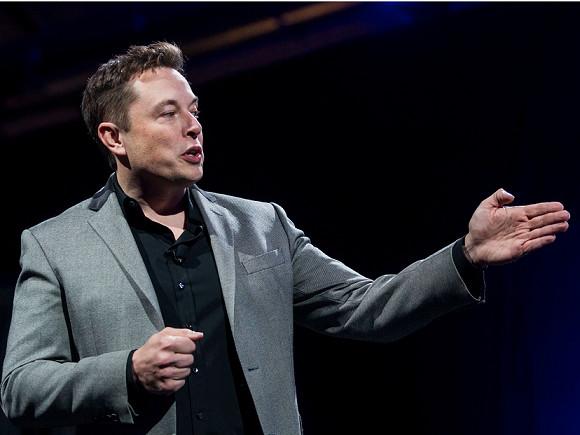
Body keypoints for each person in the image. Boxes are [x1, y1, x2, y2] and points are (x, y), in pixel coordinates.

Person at [1, 42, 570, 435]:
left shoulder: (261, 225)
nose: (193, 126)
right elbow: (21, 388)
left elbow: (365, 307)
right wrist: (127, 371)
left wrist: (466, 255)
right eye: (168, 114)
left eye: (194, 111)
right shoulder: (57, 245)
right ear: (114, 137)